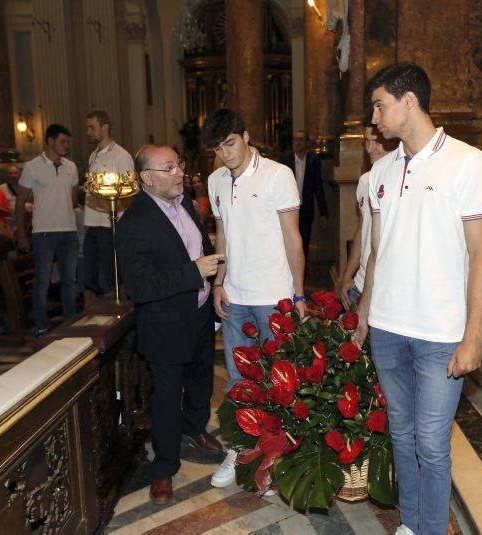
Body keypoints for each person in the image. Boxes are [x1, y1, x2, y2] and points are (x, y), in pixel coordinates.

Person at [355, 63, 482, 535]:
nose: (374, 117)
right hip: (389, 329)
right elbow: (377, 254)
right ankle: (411, 526)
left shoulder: (468, 161)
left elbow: (481, 255)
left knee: (432, 446)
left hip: (439, 334)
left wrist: (474, 337)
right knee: (400, 435)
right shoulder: (378, 172)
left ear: (408, 101)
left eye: (380, 105)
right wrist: (363, 315)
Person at [117, 144, 225, 504]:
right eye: (170, 168)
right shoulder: (134, 223)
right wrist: (194, 272)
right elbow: (141, 287)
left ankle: (195, 428)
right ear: (147, 178)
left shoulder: (186, 205)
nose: (181, 172)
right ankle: (163, 468)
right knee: (166, 397)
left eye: (179, 164)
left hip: (197, 314)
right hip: (164, 323)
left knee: (201, 378)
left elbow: (200, 247)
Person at [204, 109, 306, 488]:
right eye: (218, 147)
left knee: (281, 382)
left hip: (274, 296)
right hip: (235, 295)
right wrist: (219, 283)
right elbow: (222, 234)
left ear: (246, 136)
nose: (226, 153)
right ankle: (239, 449)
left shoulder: (278, 175)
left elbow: (293, 238)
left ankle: (278, 460)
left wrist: (297, 294)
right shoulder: (216, 180)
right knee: (237, 380)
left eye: (230, 143)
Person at [14, 124, 79, 337]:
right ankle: (41, 327)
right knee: (42, 281)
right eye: (63, 141)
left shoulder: (71, 167)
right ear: (50, 141)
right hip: (43, 233)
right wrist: (21, 232)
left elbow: (74, 199)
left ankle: (70, 323)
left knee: (70, 280)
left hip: (68, 232)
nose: (66, 145)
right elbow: (21, 201)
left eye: (68, 142)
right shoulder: (32, 167)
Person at [337, 122, 396, 307]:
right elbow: (362, 231)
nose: (370, 149)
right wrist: (346, 277)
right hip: (360, 284)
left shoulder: (403, 182)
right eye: (366, 141)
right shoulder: (365, 181)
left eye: (376, 141)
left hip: (387, 289)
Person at [83, 110, 134, 306]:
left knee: (109, 280)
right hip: (93, 225)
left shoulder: (121, 156)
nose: (88, 131)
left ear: (105, 127)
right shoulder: (93, 156)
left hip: (111, 225)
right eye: (87, 127)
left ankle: (117, 318)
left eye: (92, 127)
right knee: (90, 279)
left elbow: (129, 194)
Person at [280, 130, 328, 261]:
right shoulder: (285, 159)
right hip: (288, 209)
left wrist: (324, 213)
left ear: (307, 142)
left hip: (306, 209)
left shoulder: (314, 161)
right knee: (288, 241)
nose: (298, 142)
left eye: (301, 140)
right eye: (295, 139)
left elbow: (318, 187)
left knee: (304, 242)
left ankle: (302, 274)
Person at [0, 165, 33, 235]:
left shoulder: (27, 187)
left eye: (15, 173)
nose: (12, 175)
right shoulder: (0, 189)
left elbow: (34, 204)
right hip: (9, 224)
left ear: (19, 174)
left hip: (25, 223)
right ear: (7, 175)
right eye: (10, 173)